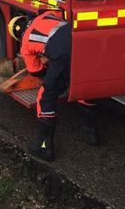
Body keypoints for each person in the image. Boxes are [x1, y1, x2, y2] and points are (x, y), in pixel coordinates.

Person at [16, 10, 99, 161]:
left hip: (63, 53)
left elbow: (35, 71)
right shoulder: (45, 15)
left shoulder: (25, 43)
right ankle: (90, 133)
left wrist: (51, 71)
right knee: (85, 85)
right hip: (84, 40)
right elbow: (60, 14)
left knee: (46, 95)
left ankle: (43, 146)